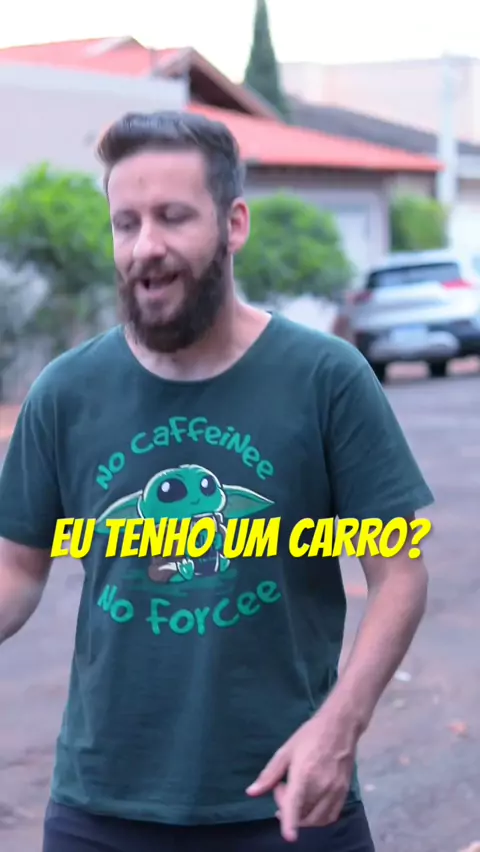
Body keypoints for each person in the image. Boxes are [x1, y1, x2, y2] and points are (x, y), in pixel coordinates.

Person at [0, 111, 434, 852]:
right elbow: (15, 568)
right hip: (102, 808)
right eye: (126, 223)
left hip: (289, 799)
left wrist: (341, 724)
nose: (146, 246)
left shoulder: (325, 378)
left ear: (234, 225)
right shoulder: (66, 392)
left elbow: (399, 573)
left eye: (173, 217)